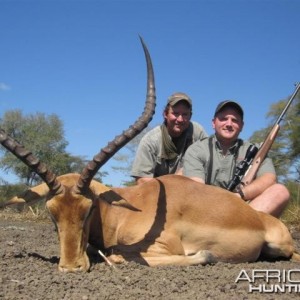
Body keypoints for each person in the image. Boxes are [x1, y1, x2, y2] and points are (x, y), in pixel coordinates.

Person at [182, 100, 289, 218]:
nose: (229, 124)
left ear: (242, 126)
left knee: (280, 191)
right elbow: (198, 190)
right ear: (213, 123)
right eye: (223, 119)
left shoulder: (255, 151)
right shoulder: (197, 150)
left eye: (235, 120)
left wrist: (239, 196)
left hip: (241, 213)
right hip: (207, 212)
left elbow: (269, 179)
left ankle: (236, 230)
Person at [131, 92, 208, 185]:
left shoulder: (198, 132)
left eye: (185, 114)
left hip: (190, 189)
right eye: (175, 113)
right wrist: (172, 183)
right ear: (165, 114)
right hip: (159, 194)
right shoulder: (150, 141)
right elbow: (142, 180)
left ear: (190, 116)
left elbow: (208, 161)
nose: (180, 119)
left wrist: (184, 172)